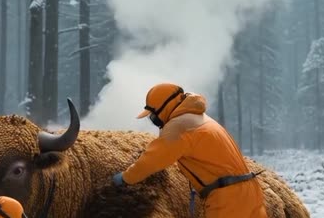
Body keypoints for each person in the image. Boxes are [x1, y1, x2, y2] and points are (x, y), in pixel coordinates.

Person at [112, 83, 267, 218]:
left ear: (165, 107)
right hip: (249, 191)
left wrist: (125, 178)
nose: (154, 121)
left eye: (154, 116)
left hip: (228, 198)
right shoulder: (201, 119)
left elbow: (152, 160)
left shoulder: (179, 125)